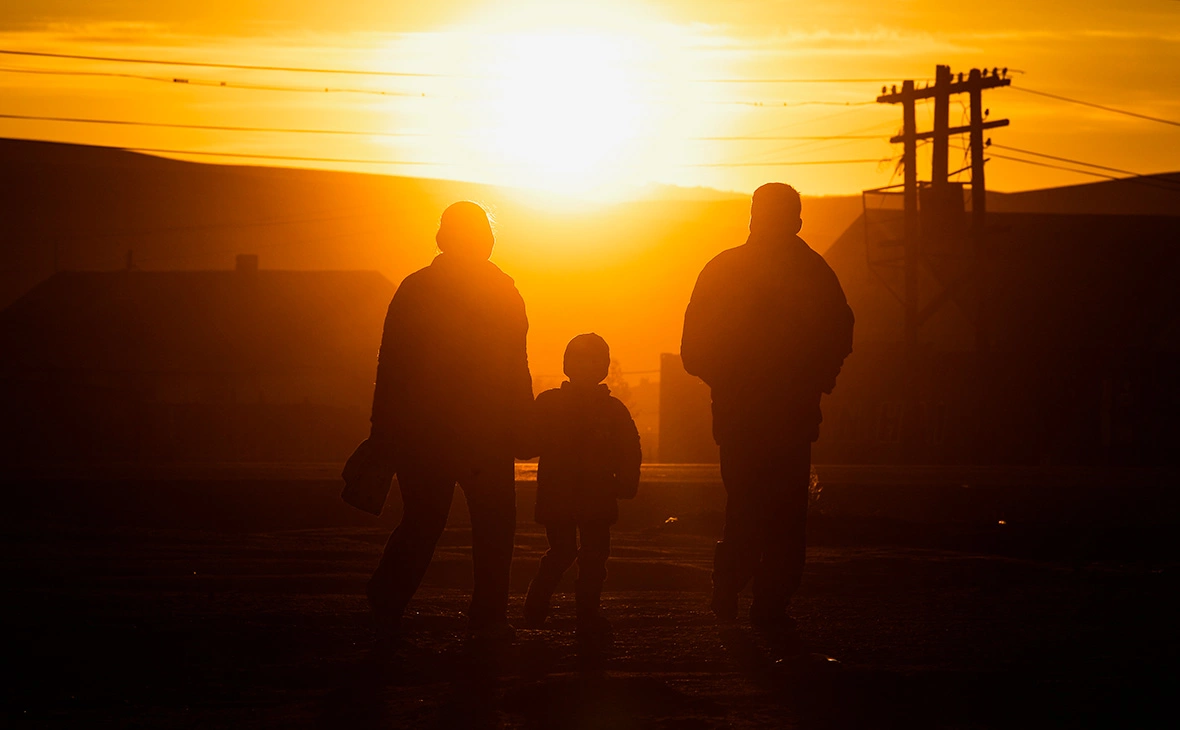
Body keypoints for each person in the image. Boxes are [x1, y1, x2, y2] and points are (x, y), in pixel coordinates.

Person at [680, 183, 853, 650]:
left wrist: (732, 381)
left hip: (751, 415)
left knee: (749, 504)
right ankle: (764, 601)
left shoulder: (727, 269)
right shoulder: (812, 272)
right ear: (796, 220)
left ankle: (738, 590)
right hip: (779, 415)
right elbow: (840, 333)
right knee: (780, 512)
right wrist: (814, 379)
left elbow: (693, 349)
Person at [366, 201, 534, 643]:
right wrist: (523, 424)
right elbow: (516, 365)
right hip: (485, 432)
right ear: (485, 239)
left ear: (444, 237)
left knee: (423, 522)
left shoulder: (417, 288)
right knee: (494, 526)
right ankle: (488, 616)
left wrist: (383, 435)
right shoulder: (502, 290)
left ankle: (386, 604)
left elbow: (392, 369)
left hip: (428, 433)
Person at [522, 333, 641, 642]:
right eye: (580, 360)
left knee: (589, 556)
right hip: (572, 495)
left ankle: (571, 613)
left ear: (602, 367)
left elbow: (629, 449)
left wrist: (627, 481)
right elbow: (528, 442)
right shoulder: (559, 405)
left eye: (592, 360)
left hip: (583, 495)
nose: (586, 366)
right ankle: (551, 610)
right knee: (571, 552)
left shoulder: (606, 410)